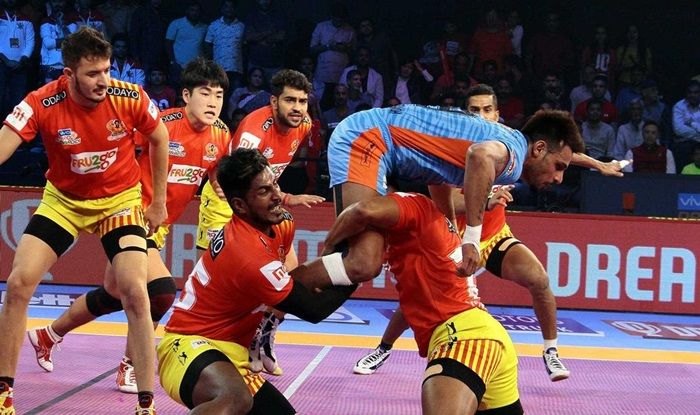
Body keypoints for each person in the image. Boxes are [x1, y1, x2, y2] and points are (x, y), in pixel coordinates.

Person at [26, 57, 231, 395]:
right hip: (127, 215)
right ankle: (130, 367)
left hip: (159, 226)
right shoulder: (162, 124)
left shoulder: (221, 134)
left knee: (113, 295)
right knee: (160, 293)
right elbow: (118, 143)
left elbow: (217, 171)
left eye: (219, 96)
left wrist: (223, 185)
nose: (213, 103)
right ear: (186, 95)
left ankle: (48, 334)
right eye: (205, 94)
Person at [0, 27, 168, 414]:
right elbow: (5, 142)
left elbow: (159, 138)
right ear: (69, 73)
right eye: (93, 73)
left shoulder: (130, 96)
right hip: (64, 201)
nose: (103, 80)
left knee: (135, 290)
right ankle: (4, 393)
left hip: (120, 201)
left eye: (106, 70)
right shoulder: (42, 101)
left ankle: (146, 404)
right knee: (19, 283)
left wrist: (157, 201)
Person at [354, 84, 571, 381]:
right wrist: (486, 200)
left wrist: (598, 163)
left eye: (487, 109)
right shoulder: (457, 145)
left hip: (493, 236)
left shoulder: (512, 145)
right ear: (465, 115)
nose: (481, 115)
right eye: (474, 110)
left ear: (497, 114)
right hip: (457, 236)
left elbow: (556, 153)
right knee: (420, 297)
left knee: (539, 279)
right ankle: (383, 347)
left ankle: (551, 351)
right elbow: (447, 200)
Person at [156, 148, 356, 414]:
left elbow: (293, 280)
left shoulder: (281, 223)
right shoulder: (247, 254)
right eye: (263, 191)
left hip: (232, 355)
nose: (277, 196)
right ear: (239, 205)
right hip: (187, 346)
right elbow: (313, 309)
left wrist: (343, 259)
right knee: (235, 399)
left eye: (275, 184)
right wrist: (356, 270)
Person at [316, 189, 524, 414]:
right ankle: (383, 349)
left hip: (462, 339)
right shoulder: (433, 230)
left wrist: (329, 246)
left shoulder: (417, 205)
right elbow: (408, 305)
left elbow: (363, 210)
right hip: (489, 336)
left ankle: (383, 348)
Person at [198, 69, 324, 376]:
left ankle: (263, 336)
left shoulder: (304, 124)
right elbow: (243, 183)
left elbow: (271, 175)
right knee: (221, 281)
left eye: (302, 101)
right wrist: (286, 198)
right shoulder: (254, 131)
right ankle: (214, 346)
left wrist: (283, 197)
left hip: (265, 202)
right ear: (274, 101)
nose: (297, 108)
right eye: (290, 100)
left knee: (291, 275)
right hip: (227, 201)